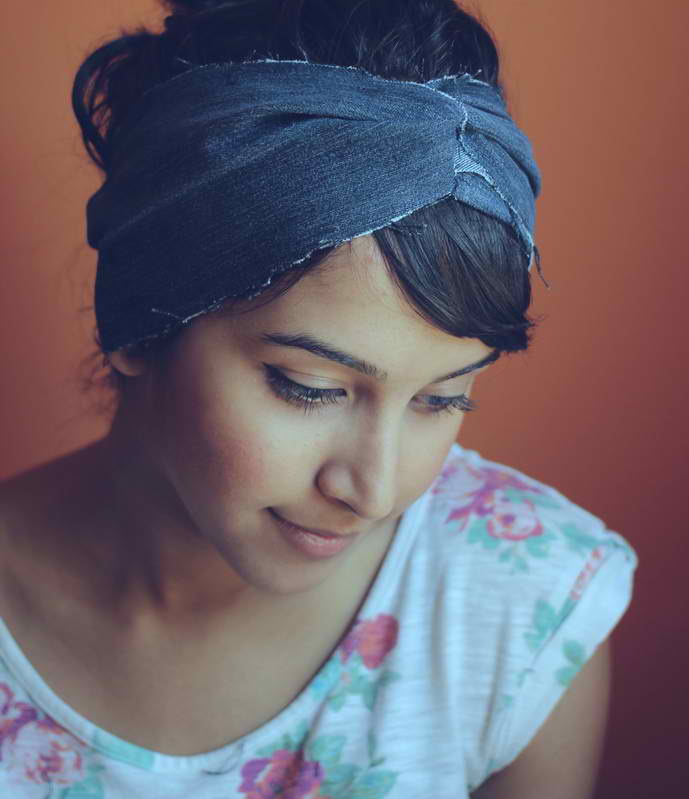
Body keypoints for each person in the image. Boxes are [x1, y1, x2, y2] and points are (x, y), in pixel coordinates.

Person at [0, 0, 637, 796]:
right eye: (311, 389)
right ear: (141, 318)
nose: (374, 488)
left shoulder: (526, 615)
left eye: (442, 399)